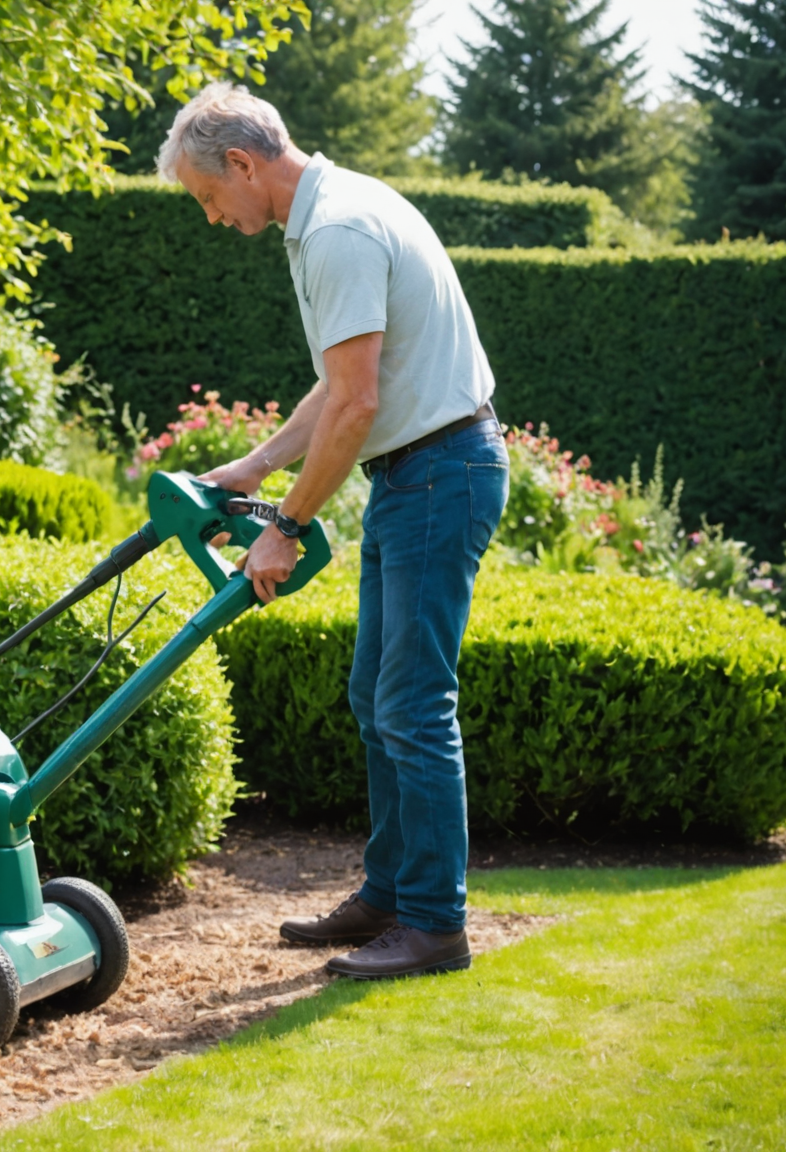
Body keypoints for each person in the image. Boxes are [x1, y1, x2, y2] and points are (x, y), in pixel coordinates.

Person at [156, 83, 507, 979]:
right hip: (416, 475)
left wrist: (285, 526)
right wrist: (255, 467)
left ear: (243, 164)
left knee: (413, 703)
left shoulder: (339, 230)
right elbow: (338, 384)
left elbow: (358, 404)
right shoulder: (332, 212)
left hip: (440, 473)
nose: (211, 217)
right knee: (375, 696)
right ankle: (390, 896)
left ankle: (434, 925)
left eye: (207, 196)